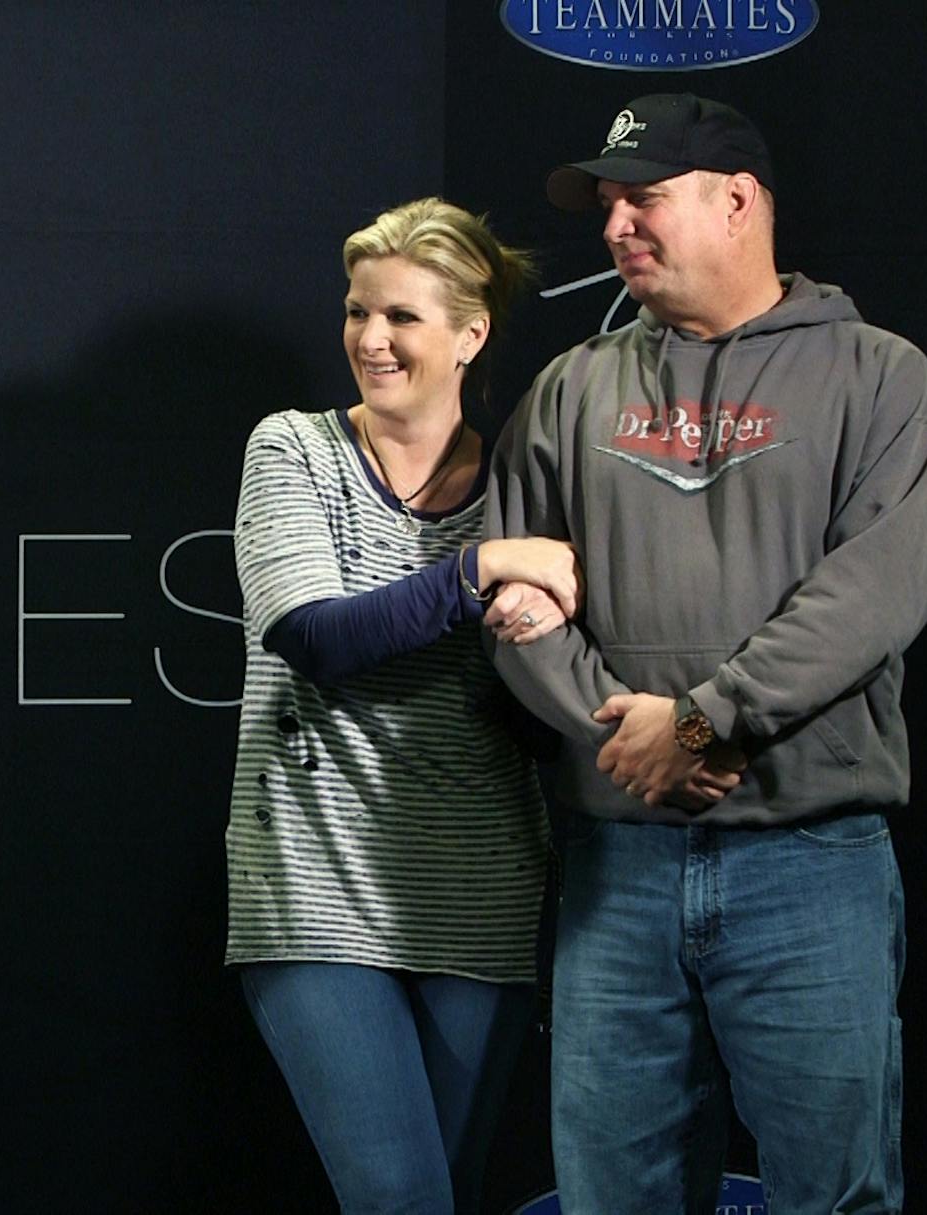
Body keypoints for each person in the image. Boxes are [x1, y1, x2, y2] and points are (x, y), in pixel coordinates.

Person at [487, 94, 927, 1211]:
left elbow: (871, 595)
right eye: (607, 204)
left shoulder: (880, 378)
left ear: (739, 202)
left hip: (812, 863)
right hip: (620, 869)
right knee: (614, 1197)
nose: (615, 226)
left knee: (833, 1196)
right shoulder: (573, 387)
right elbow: (516, 598)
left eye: (643, 198)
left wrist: (700, 725)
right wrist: (631, 734)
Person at [225, 197, 579, 1213]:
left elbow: (536, 712)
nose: (369, 341)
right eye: (355, 313)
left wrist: (546, 630)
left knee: (446, 1194)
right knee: (397, 1197)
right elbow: (316, 636)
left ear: (471, 334)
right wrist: (483, 572)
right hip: (312, 884)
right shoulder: (294, 448)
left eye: (401, 318)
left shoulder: (527, 477)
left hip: (481, 891)